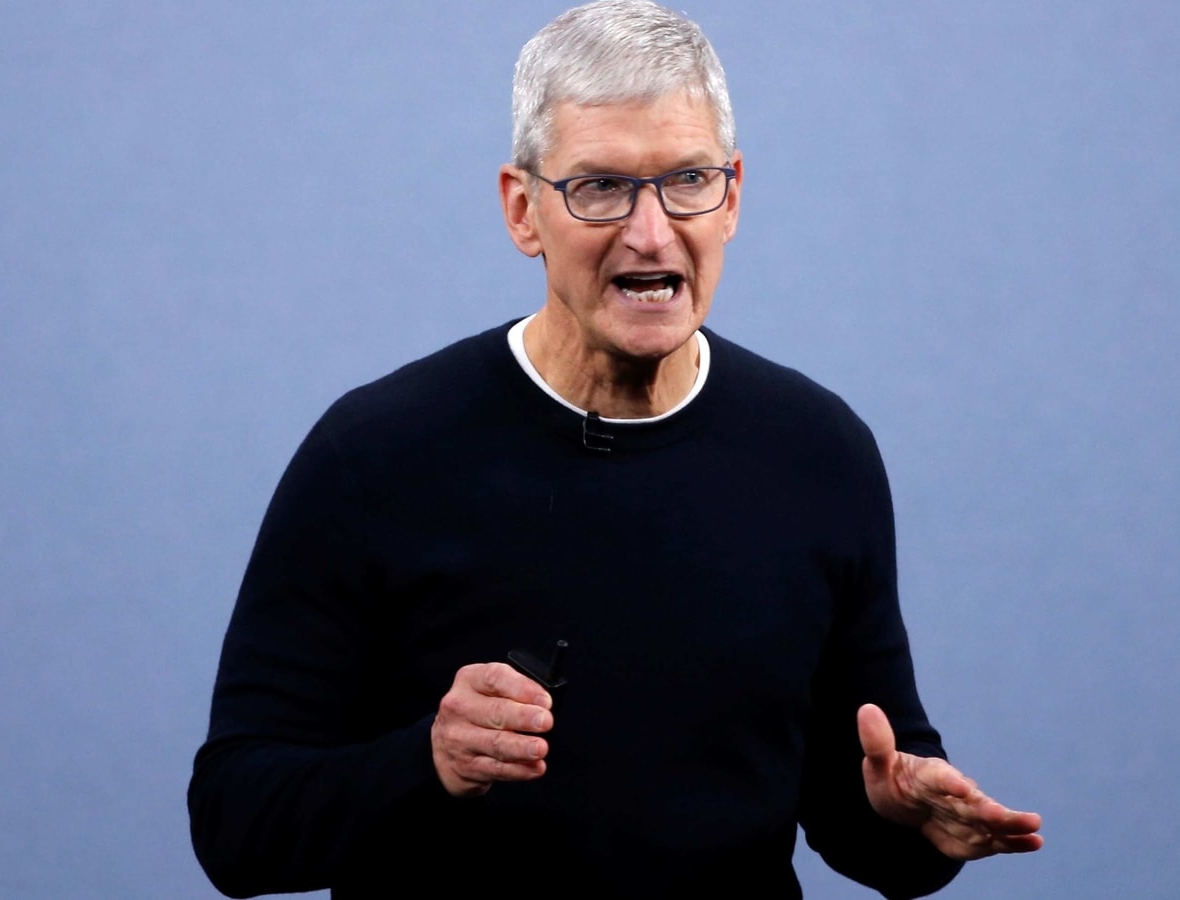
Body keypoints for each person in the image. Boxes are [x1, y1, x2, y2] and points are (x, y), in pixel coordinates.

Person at [188, 2, 1042, 897]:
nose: (649, 231)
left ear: (734, 195)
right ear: (524, 211)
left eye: (687, 180)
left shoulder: (819, 452)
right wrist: (427, 763)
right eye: (599, 187)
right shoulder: (373, 454)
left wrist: (913, 826)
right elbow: (236, 825)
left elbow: (860, 812)